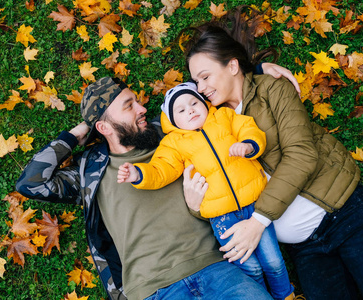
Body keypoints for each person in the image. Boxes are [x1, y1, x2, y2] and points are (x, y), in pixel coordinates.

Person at [182, 6, 363, 300]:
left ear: (233, 66)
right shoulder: (210, 123)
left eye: (204, 77)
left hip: (346, 216)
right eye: (196, 82)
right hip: (307, 249)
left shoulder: (271, 91)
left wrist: (258, 222)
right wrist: (194, 204)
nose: (200, 89)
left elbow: (302, 155)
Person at [16, 76, 299, 300]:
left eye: (137, 102)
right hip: (152, 289)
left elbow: (216, 98)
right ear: (104, 127)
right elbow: (32, 182)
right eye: (129, 106)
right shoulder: (90, 171)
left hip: (217, 269)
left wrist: (261, 73)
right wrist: (78, 132)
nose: (142, 109)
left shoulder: (174, 132)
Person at [117, 82, 294, 300]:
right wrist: (139, 174)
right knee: (252, 268)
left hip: (255, 203)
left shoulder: (224, 117)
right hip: (222, 217)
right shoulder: (174, 143)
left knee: (274, 262)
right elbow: (162, 168)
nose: (190, 110)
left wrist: (248, 145)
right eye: (180, 110)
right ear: (173, 121)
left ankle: (286, 295)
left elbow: (248, 127)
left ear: (204, 103)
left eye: (193, 103)